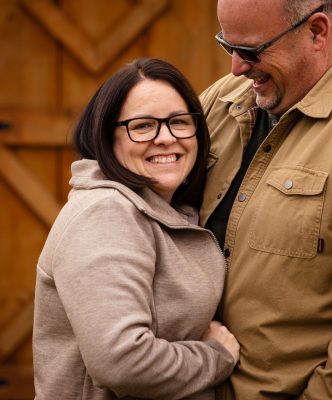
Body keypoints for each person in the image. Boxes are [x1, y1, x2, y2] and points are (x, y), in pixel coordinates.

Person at [199, 0, 332, 398]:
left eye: (252, 51)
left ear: (317, 32)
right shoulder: (224, 99)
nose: (236, 68)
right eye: (228, 46)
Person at [32, 58, 240, 400]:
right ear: (107, 138)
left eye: (178, 122)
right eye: (143, 126)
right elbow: (121, 361)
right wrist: (215, 357)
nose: (165, 138)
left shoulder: (166, 211)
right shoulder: (105, 214)